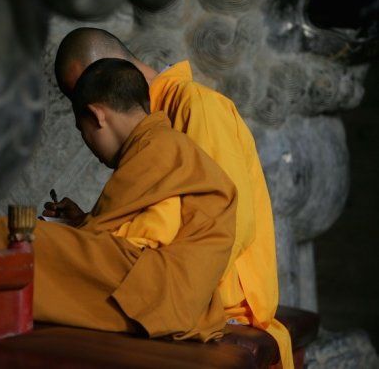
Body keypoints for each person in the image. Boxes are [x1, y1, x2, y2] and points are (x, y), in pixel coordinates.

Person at [49, 27, 292, 368]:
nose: (89, 118)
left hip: (222, 305)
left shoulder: (196, 106)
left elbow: (230, 223)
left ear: (109, 73)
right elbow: (159, 221)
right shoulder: (147, 127)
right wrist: (86, 224)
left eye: (85, 101)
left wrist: (170, 298)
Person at [0, 58, 238, 342]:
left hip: (157, 291)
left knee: (16, 237)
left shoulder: (156, 147)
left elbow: (106, 239)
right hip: (167, 286)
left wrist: (72, 231)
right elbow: (128, 225)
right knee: (38, 243)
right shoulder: (162, 142)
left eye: (82, 131)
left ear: (96, 116)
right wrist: (79, 220)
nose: (90, 145)